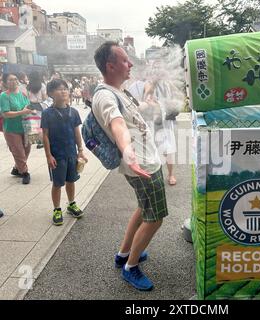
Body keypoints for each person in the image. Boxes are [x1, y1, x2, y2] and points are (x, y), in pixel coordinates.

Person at [93, 41, 168, 291]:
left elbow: (131, 116)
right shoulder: (104, 96)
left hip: (143, 162)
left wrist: (149, 102)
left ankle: (124, 253)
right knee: (155, 218)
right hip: (142, 165)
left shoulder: (118, 90)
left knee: (143, 208)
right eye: (125, 60)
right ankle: (131, 267)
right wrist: (128, 152)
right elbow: (118, 124)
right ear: (110, 65)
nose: (131, 64)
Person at [41, 79, 88, 226]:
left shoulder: (73, 112)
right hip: (57, 155)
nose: (63, 91)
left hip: (71, 154)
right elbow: (45, 135)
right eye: (59, 89)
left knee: (71, 180)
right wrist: (48, 155)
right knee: (57, 183)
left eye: (65, 89)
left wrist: (80, 150)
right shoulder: (47, 113)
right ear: (50, 93)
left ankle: (71, 204)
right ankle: (57, 209)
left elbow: (76, 132)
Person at [0, 73, 35, 184]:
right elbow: (5, 114)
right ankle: (25, 173)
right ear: (5, 82)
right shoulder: (4, 96)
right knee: (18, 151)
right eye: (10, 80)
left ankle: (16, 168)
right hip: (11, 128)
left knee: (27, 149)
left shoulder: (23, 94)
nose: (14, 81)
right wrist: (22, 112)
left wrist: (31, 110)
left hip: (26, 126)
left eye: (15, 79)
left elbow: (28, 106)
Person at [27, 71, 48, 149]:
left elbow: (27, 97)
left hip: (31, 106)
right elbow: (44, 97)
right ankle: (42, 142)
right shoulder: (42, 85)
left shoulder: (28, 87)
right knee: (40, 125)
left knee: (33, 124)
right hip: (40, 106)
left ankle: (35, 141)